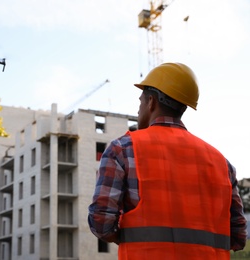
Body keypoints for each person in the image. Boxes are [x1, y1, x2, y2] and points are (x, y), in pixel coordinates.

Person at [88, 62, 247, 259]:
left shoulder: (122, 149)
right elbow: (238, 236)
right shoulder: (222, 163)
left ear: (151, 102)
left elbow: (101, 224)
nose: (138, 111)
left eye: (140, 103)